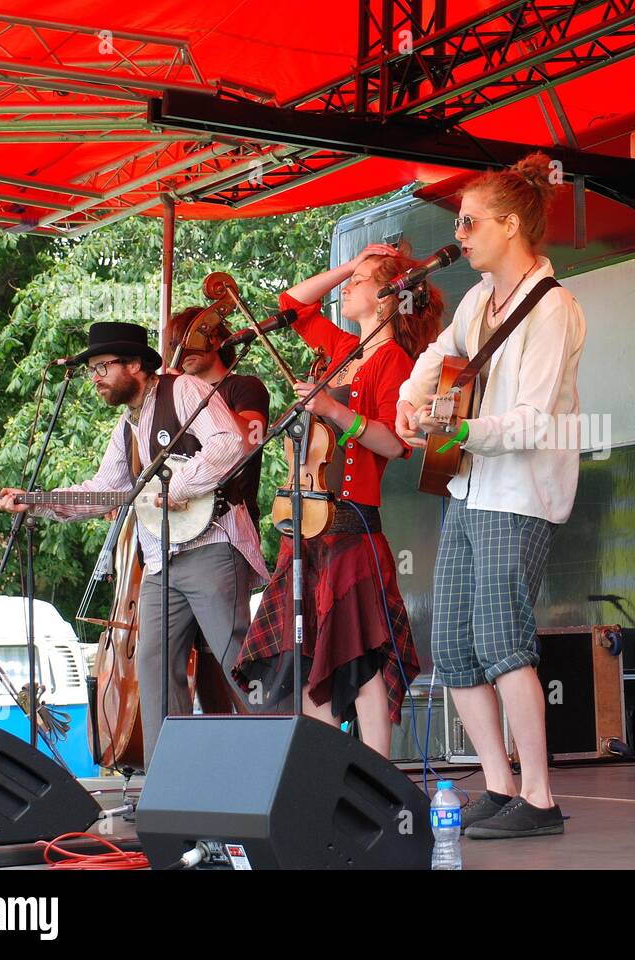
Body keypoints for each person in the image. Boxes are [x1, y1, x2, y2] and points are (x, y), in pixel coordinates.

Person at [396, 152, 586, 838]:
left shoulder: (554, 306)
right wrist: (410, 399)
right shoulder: (478, 300)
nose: (461, 233)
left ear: (510, 225)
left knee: (503, 639)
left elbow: (531, 420)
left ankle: (539, 797)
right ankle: (499, 785)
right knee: (452, 644)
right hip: (469, 486)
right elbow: (434, 356)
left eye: (471, 221)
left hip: (519, 492)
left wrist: (459, 430)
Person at [0, 321, 269, 768]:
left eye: (102, 367)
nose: (95, 378)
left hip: (212, 545)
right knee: (155, 671)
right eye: (91, 370)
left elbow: (231, 442)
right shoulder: (126, 427)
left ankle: (280, 765)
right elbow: (105, 489)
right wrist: (37, 502)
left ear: (136, 365)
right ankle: (171, 781)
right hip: (160, 561)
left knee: (236, 661)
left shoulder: (182, 390)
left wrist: (179, 486)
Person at [233, 244, 440, 759]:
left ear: (388, 297)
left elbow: (394, 443)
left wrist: (331, 408)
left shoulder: (394, 361)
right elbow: (292, 303)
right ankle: (322, 772)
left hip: (350, 527)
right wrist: (353, 263)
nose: (347, 288)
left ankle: (377, 771)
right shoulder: (344, 348)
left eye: (359, 281)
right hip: (305, 526)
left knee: (359, 656)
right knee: (305, 656)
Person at [165, 305, 270, 527]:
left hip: (231, 520)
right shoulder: (175, 396)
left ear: (213, 338)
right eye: (176, 346)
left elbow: (251, 440)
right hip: (179, 520)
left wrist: (196, 392)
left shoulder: (244, 386)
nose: (183, 352)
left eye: (190, 342)